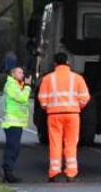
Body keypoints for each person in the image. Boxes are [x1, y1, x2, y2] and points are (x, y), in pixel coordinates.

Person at [37, 53, 91, 183]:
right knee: (71, 143)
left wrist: (48, 107)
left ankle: (54, 171)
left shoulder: (48, 78)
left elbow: (42, 100)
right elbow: (85, 97)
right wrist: (77, 106)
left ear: (55, 64)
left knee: (55, 143)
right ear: (68, 62)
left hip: (54, 115)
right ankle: (71, 173)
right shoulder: (77, 78)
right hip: (72, 115)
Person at [1, 66, 32, 183]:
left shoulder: (17, 85)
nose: (22, 74)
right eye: (19, 72)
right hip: (12, 122)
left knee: (15, 148)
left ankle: (9, 171)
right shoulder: (11, 85)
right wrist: (28, 86)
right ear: (12, 74)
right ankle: (8, 172)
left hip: (17, 122)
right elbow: (23, 98)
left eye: (22, 72)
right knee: (12, 147)